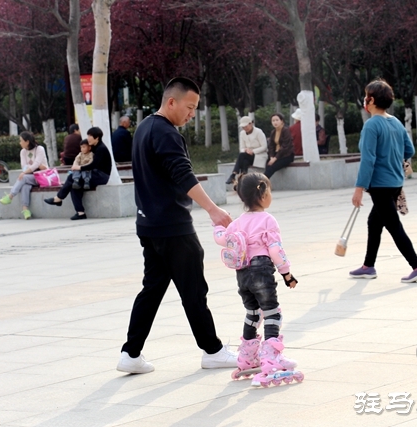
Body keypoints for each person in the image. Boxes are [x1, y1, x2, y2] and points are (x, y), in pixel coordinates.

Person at [116, 77, 237, 374]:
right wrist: (213, 210)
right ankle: (212, 350)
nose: (192, 113)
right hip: (173, 227)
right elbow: (183, 175)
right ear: (172, 102)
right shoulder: (166, 133)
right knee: (193, 290)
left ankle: (130, 354)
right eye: (190, 107)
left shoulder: (144, 128)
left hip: (148, 225)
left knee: (152, 289)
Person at [213, 172, 300, 387]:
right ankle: (271, 358)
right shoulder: (268, 220)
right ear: (262, 193)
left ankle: (247, 358)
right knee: (272, 312)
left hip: (242, 274)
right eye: (269, 191)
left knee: (252, 313)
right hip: (261, 271)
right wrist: (287, 274)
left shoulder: (238, 223)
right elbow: (275, 251)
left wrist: (216, 227)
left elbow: (223, 239)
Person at [350, 79, 417, 283]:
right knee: (374, 222)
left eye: (366, 96)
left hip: (380, 185)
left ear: (372, 100)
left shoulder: (371, 125)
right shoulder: (395, 122)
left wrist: (359, 188)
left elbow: (368, 159)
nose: (364, 101)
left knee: (394, 226)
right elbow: (409, 150)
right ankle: (368, 266)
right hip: (395, 183)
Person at [43, 127, 111, 220]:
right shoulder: (94, 147)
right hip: (92, 174)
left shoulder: (101, 148)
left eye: (90, 136)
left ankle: (58, 199)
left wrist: (78, 168)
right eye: (88, 135)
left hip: (101, 176)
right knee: (75, 184)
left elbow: (93, 165)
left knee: (72, 177)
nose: (88, 138)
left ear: (97, 138)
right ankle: (80, 213)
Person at [0, 131, 49, 220]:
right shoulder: (23, 152)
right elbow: (24, 166)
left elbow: (36, 164)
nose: (20, 142)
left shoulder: (39, 149)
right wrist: (31, 168)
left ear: (27, 141)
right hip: (31, 176)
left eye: (21, 140)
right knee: (25, 186)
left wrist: (29, 169)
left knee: (24, 177)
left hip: (42, 177)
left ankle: (10, 196)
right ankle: (25, 209)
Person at [225, 116, 268, 185]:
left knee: (242, 155)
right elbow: (241, 148)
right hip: (247, 155)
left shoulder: (258, 132)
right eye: (243, 127)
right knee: (244, 161)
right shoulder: (242, 134)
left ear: (251, 124)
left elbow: (264, 146)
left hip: (258, 155)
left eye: (246, 126)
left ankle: (234, 174)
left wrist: (253, 151)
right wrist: (246, 150)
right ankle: (243, 178)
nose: (245, 128)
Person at [264, 113, 295, 179]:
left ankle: (261, 183)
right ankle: (265, 184)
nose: (275, 122)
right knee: (268, 164)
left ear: (282, 121)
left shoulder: (286, 131)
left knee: (272, 167)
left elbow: (285, 147)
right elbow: (271, 146)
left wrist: (275, 158)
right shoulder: (273, 132)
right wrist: (272, 156)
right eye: (273, 120)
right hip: (276, 155)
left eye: (277, 120)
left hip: (286, 155)